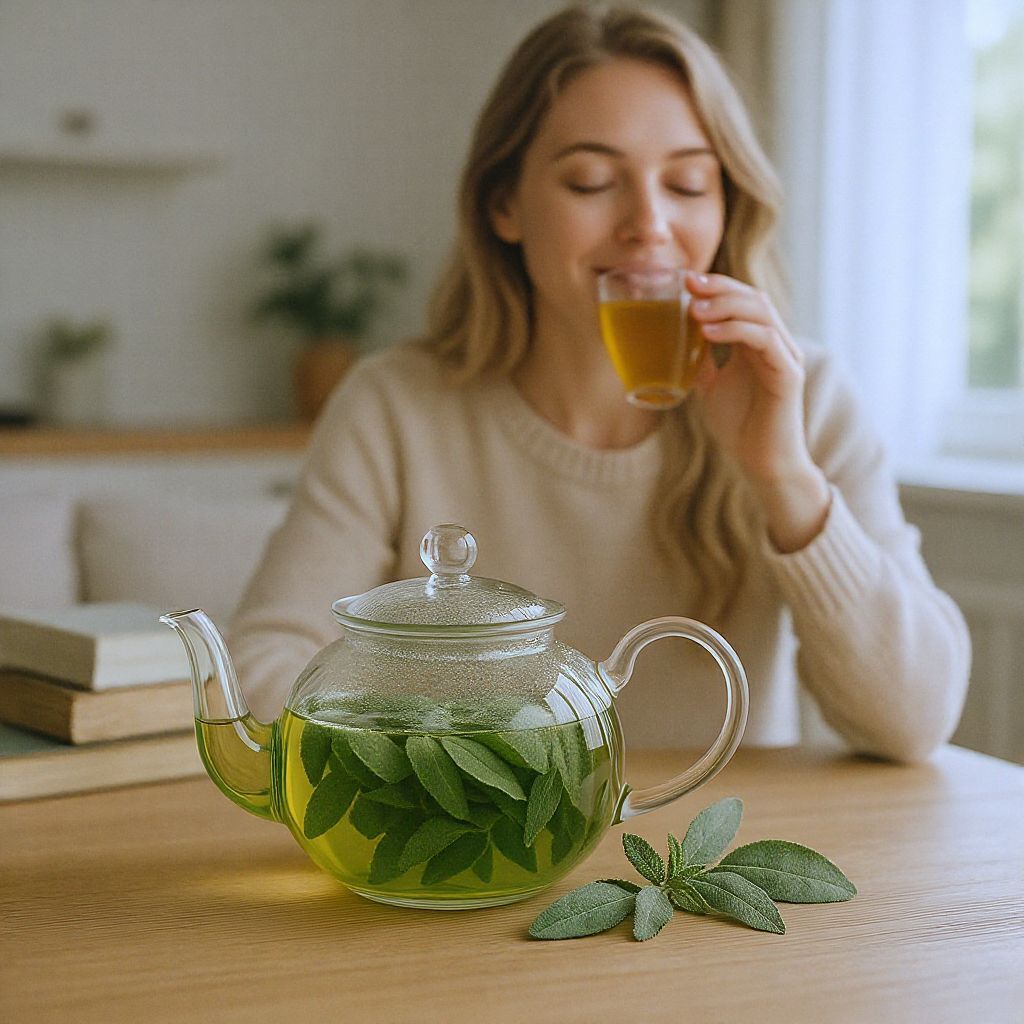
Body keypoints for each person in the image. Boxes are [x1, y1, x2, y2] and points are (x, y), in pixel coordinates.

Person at [231, 2, 970, 760]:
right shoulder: (395, 405)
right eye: (591, 181)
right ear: (505, 205)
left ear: (727, 205)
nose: (649, 223)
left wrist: (783, 476)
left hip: (703, 867)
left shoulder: (804, 396)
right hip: (476, 858)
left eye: (686, 184)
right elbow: (265, 672)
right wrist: (466, 769)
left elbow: (914, 725)